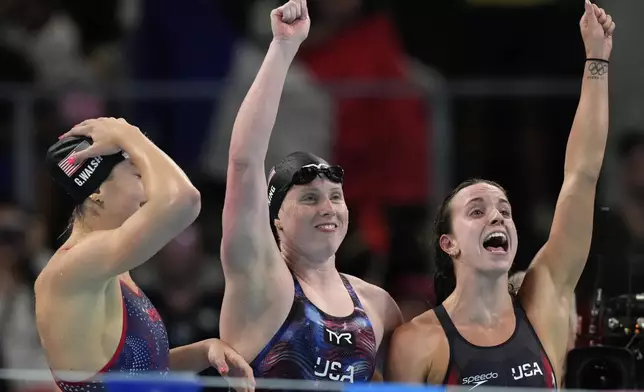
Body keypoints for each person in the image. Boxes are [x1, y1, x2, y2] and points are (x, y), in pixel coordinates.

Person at [386, 1, 614, 388]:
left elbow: (581, 175)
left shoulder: (544, 304)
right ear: (449, 243)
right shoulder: (419, 342)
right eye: (477, 211)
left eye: (504, 210)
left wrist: (596, 60)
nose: (498, 217)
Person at [219, 0, 403, 385]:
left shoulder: (378, 306)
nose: (329, 207)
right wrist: (283, 48)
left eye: (336, 196)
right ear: (276, 220)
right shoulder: (260, 282)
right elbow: (245, 163)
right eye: (309, 198)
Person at [36, 117, 254, 392]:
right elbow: (184, 201)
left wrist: (203, 351)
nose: (151, 192)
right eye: (139, 175)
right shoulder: (77, 266)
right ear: (98, 191)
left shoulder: (108, 265)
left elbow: (136, 374)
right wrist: (129, 134)